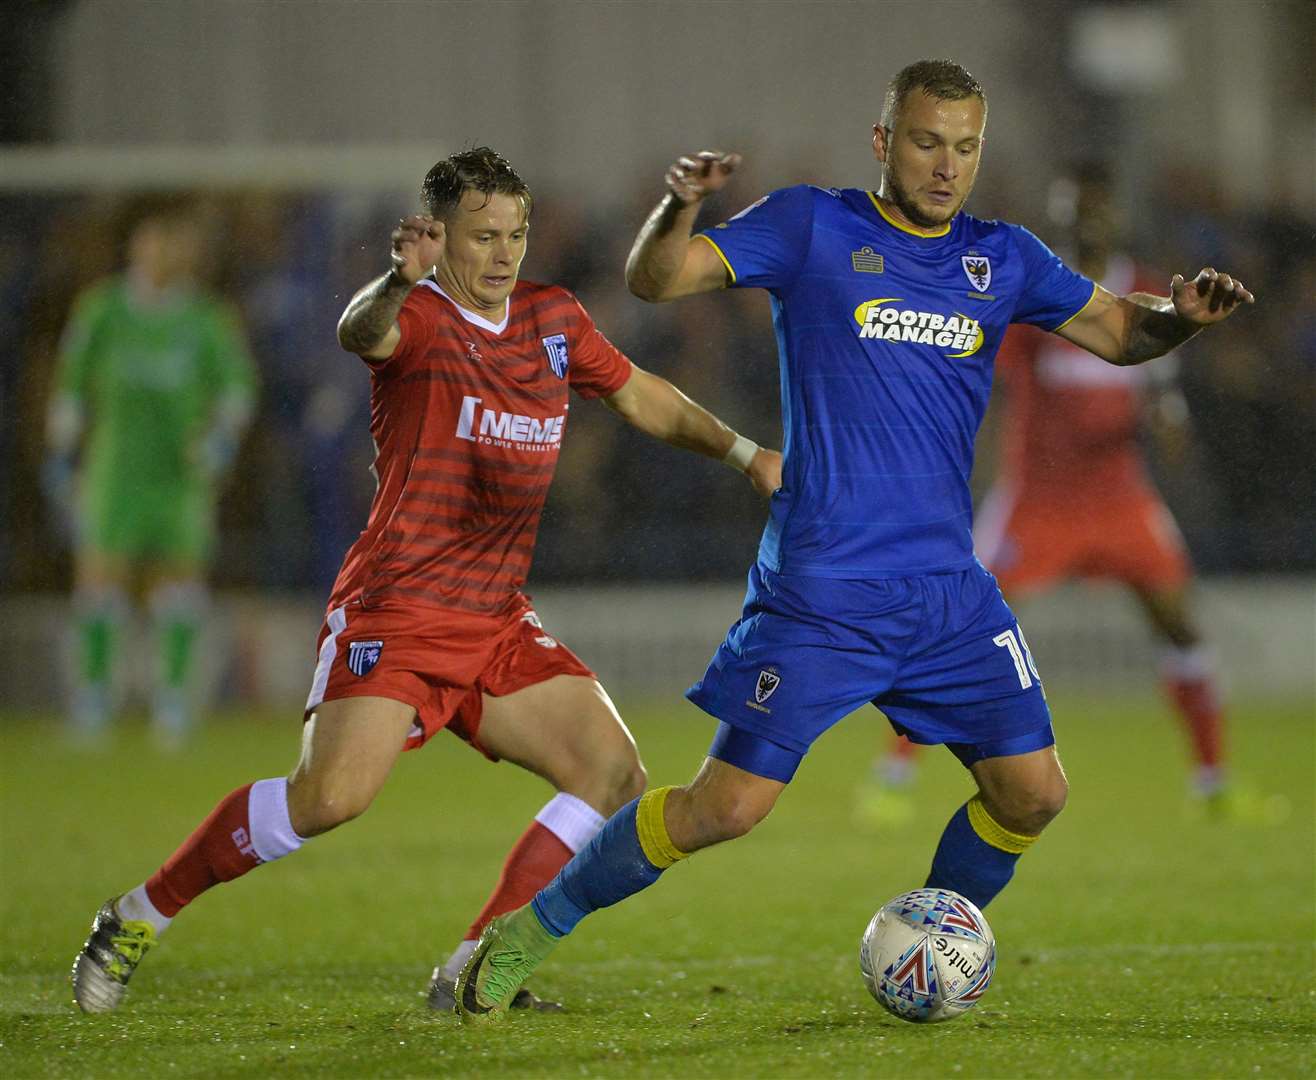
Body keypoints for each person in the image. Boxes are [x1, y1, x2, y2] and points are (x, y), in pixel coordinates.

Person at [453, 60, 1255, 1022]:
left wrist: (1183, 321)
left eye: (964, 147)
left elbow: (1123, 333)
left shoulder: (1003, 257)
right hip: (824, 589)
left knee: (1033, 793)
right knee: (725, 809)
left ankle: (928, 943)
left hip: (948, 595)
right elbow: (658, 279)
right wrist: (677, 210)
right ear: (884, 141)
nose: (945, 165)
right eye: (925, 142)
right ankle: (518, 940)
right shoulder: (812, 227)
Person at [69, 147, 781, 1014]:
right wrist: (393, 282)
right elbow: (360, 331)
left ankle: (474, 966)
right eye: (483, 237)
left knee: (611, 774)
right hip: (398, 608)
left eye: (516, 235)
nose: (504, 254)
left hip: (495, 618)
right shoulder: (420, 321)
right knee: (328, 799)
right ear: (440, 239)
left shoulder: (551, 319)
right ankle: (138, 912)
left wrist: (746, 455)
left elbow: (641, 396)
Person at [860, 162, 1237, 826]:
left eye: (1089, 210)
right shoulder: (1033, 293)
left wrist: (1172, 424)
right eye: (1067, 211)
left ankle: (1214, 784)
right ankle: (894, 773)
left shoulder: (1147, 291)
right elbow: (986, 383)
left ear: (1111, 215)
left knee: (1181, 624)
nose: (1078, 222)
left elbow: (1163, 391)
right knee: (958, 625)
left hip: (1120, 496)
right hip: (1040, 499)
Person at [43, 198, 257, 746]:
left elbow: (236, 387)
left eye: (174, 242)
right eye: (155, 240)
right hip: (114, 470)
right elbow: (71, 381)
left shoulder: (206, 318)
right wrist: (62, 446)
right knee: (100, 584)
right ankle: (93, 702)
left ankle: (173, 704)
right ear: (136, 246)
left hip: (179, 474)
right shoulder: (103, 310)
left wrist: (220, 441)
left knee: (178, 587)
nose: (164, 252)